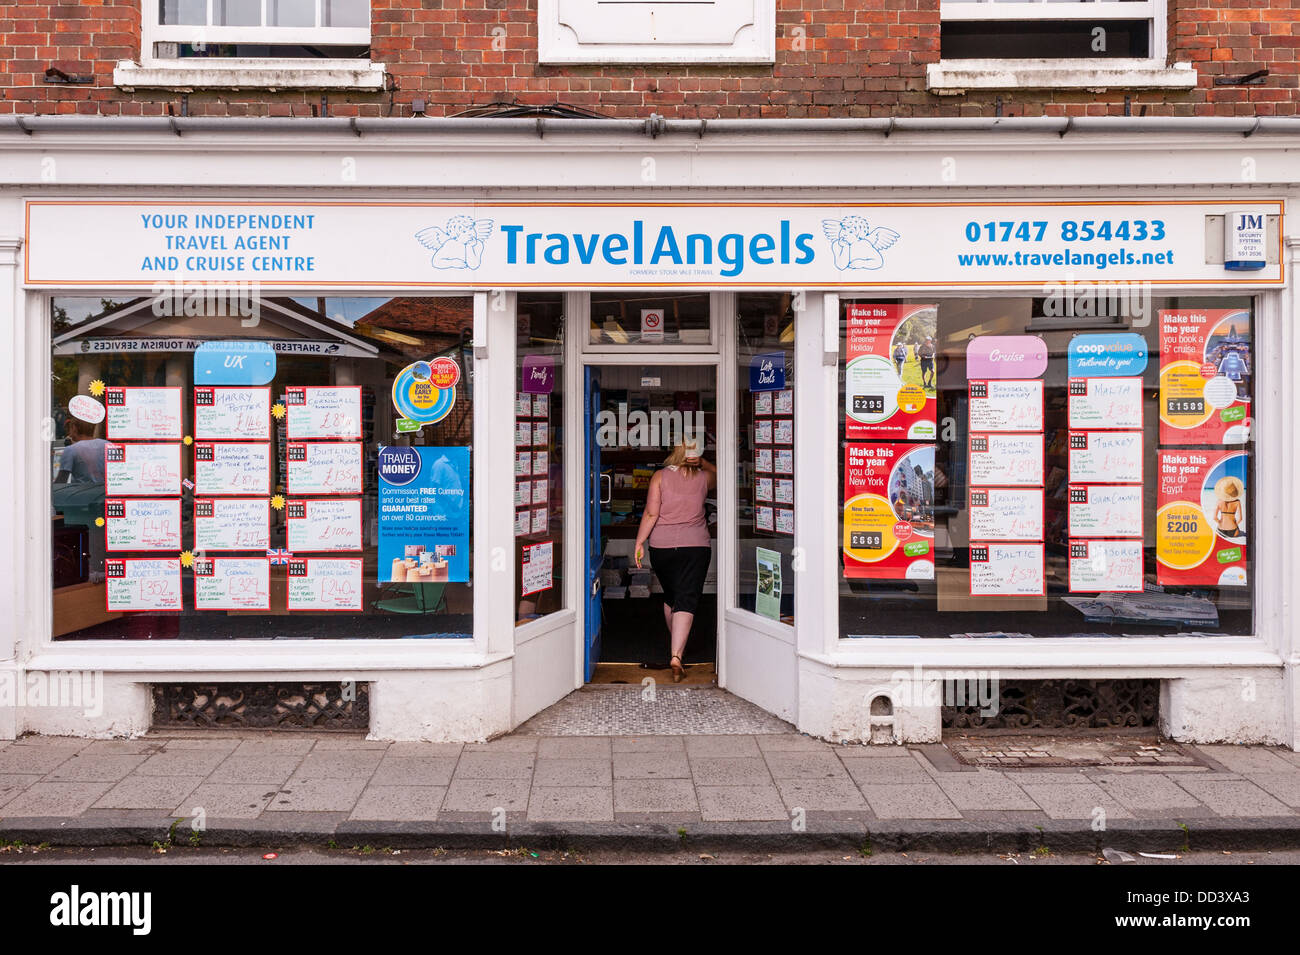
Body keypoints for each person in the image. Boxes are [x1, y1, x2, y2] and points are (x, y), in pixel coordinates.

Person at [634, 435, 716, 683]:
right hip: (696, 546)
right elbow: (718, 471)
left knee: (672, 596)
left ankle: (677, 647)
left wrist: (639, 542)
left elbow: (651, 513)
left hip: (662, 546)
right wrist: (702, 462)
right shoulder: (703, 478)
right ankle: (676, 655)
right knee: (686, 597)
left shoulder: (659, 476)